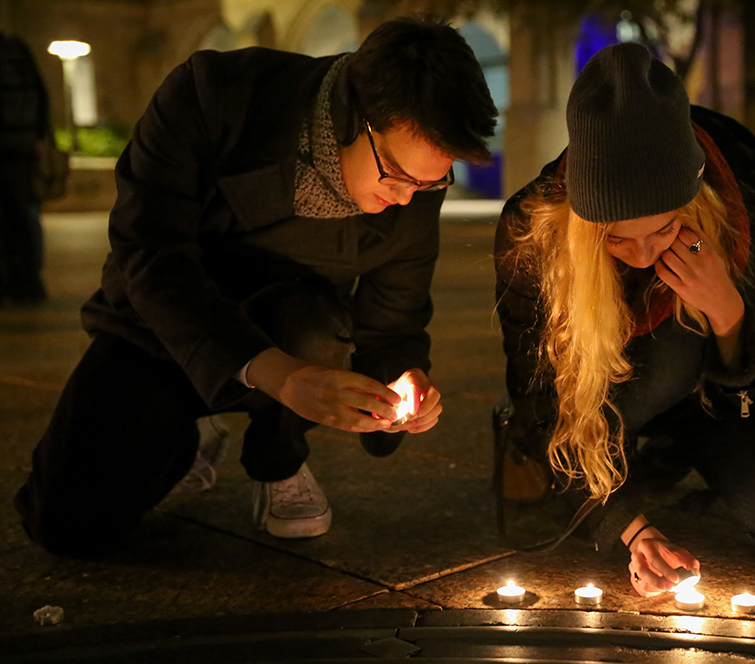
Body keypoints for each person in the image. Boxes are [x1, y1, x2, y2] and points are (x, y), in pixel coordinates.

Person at [15, 16, 498, 557]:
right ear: (351, 117)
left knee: (314, 331)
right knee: (67, 522)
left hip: (299, 330)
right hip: (161, 328)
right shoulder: (215, 95)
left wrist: (403, 387)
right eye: (396, 176)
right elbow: (149, 254)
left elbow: (394, 322)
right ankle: (194, 431)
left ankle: (278, 458)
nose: (409, 198)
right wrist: (279, 376)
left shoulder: (412, 189)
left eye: (432, 182)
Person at [495, 43, 755, 597]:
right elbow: (542, 403)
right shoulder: (533, 229)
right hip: (598, 401)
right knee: (643, 384)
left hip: (709, 392)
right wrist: (632, 528)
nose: (644, 254)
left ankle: (672, 450)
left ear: (694, 198)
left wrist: (727, 312)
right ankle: (616, 466)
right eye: (616, 239)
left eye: (663, 229)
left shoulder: (736, 173)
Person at [0, 31, 51, 305]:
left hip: (18, 149)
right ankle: (27, 284)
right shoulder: (17, 48)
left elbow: (39, 96)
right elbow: (41, 95)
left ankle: (21, 283)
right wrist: (39, 137)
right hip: (23, 146)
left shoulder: (16, 50)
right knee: (25, 219)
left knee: (22, 219)